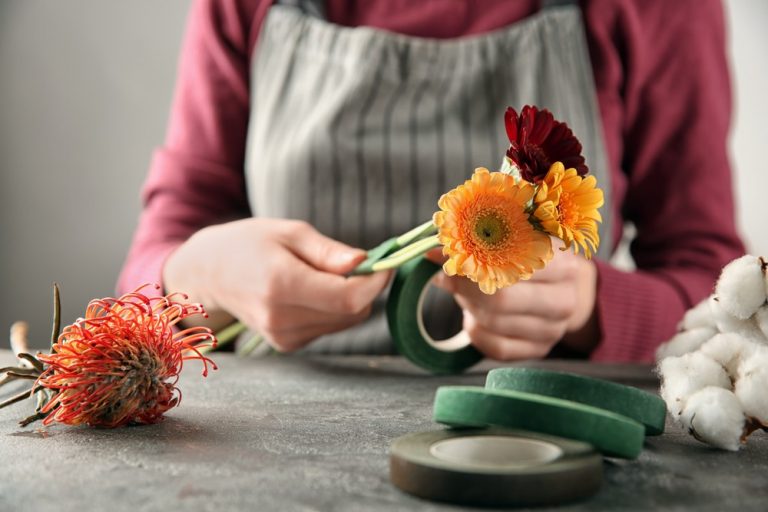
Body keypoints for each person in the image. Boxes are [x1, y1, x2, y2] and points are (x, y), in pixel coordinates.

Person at [118, 0, 744, 362]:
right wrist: (202, 276)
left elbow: (718, 290)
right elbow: (151, 264)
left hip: (541, 448)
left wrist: (589, 309)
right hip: (268, 447)